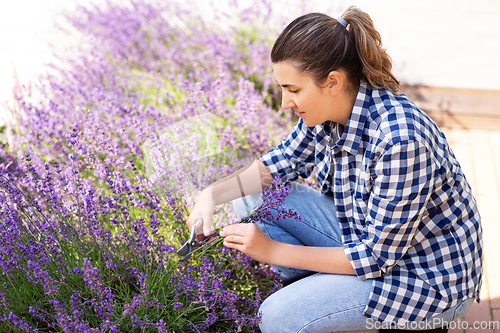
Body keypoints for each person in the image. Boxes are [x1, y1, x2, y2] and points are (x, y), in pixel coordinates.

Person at [186, 6, 483, 333]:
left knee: (276, 316)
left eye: (293, 90)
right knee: (253, 196)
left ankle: (325, 305)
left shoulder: (400, 142)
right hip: (366, 236)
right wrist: (211, 194)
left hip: (424, 279)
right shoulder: (330, 110)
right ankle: (325, 299)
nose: (285, 103)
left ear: (332, 82)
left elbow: (375, 259)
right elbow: (279, 164)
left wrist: (272, 250)